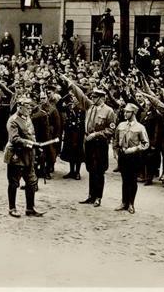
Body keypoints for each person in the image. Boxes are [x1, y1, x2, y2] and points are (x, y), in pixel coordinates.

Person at [61, 74, 116, 207]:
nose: (93, 98)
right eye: (92, 97)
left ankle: (98, 197)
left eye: (96, 97)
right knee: (91, 169)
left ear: (102, 98)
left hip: (100, 143)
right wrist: (70, 82)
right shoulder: (90, 107)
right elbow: (80, 95)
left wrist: (97, 134)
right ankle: (91, 195)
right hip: (89, 142)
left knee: (99, 171)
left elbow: (111, 130)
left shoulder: (109, 111)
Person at [4, 97, 45, 218]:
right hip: (16, 155)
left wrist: (37, 146)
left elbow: (31, 134)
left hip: (28, 155)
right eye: (27, 107)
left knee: (31, 182)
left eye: (30, 107)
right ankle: (12, 208)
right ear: (19, 107)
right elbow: (15, 139)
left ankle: (30, 208)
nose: (29, 109)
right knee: (14, 183)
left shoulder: (27, 118)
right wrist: (32, 144)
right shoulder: (13, 121)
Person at [113, 103, 149, 213]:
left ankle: (131, 204)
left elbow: (145, 143)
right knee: (124, 180)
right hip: (123, 155)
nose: (125, 114)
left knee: (132, 181)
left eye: (127, 112)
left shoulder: (140, 127)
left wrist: (134, 149)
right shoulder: (121, 125)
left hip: (134, 156)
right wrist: (115, 151)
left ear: (133, 113)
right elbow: (115, 139)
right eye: (124, 112)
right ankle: (124, 202)